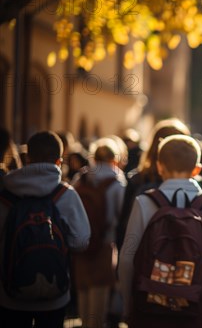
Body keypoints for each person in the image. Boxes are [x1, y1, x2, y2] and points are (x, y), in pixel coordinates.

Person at [118, 135, 202, 327]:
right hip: (196, 309)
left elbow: (127, 259)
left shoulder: (145, 202)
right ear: (197, 170)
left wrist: (129, 307)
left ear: (160, 166)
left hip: (149, 309)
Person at [0, 131, 91, 327]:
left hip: (10, 294)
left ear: (27, 158)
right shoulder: (65, 195)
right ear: (59, 162)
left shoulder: (5, 194)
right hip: (55, 295)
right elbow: (81, 241)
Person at [71, 138, 127, 328]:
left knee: (83, 292)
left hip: (81, 243)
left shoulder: (82, 177)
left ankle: (84, 322)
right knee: (99, 295)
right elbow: (121, 215)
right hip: (105, 243)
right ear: (115, 157)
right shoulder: (118, 181)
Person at [116, 118, 190, 251]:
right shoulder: (198, 185)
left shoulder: (137, 180)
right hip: (188, 261)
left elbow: (124, 229)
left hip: (145, 260)